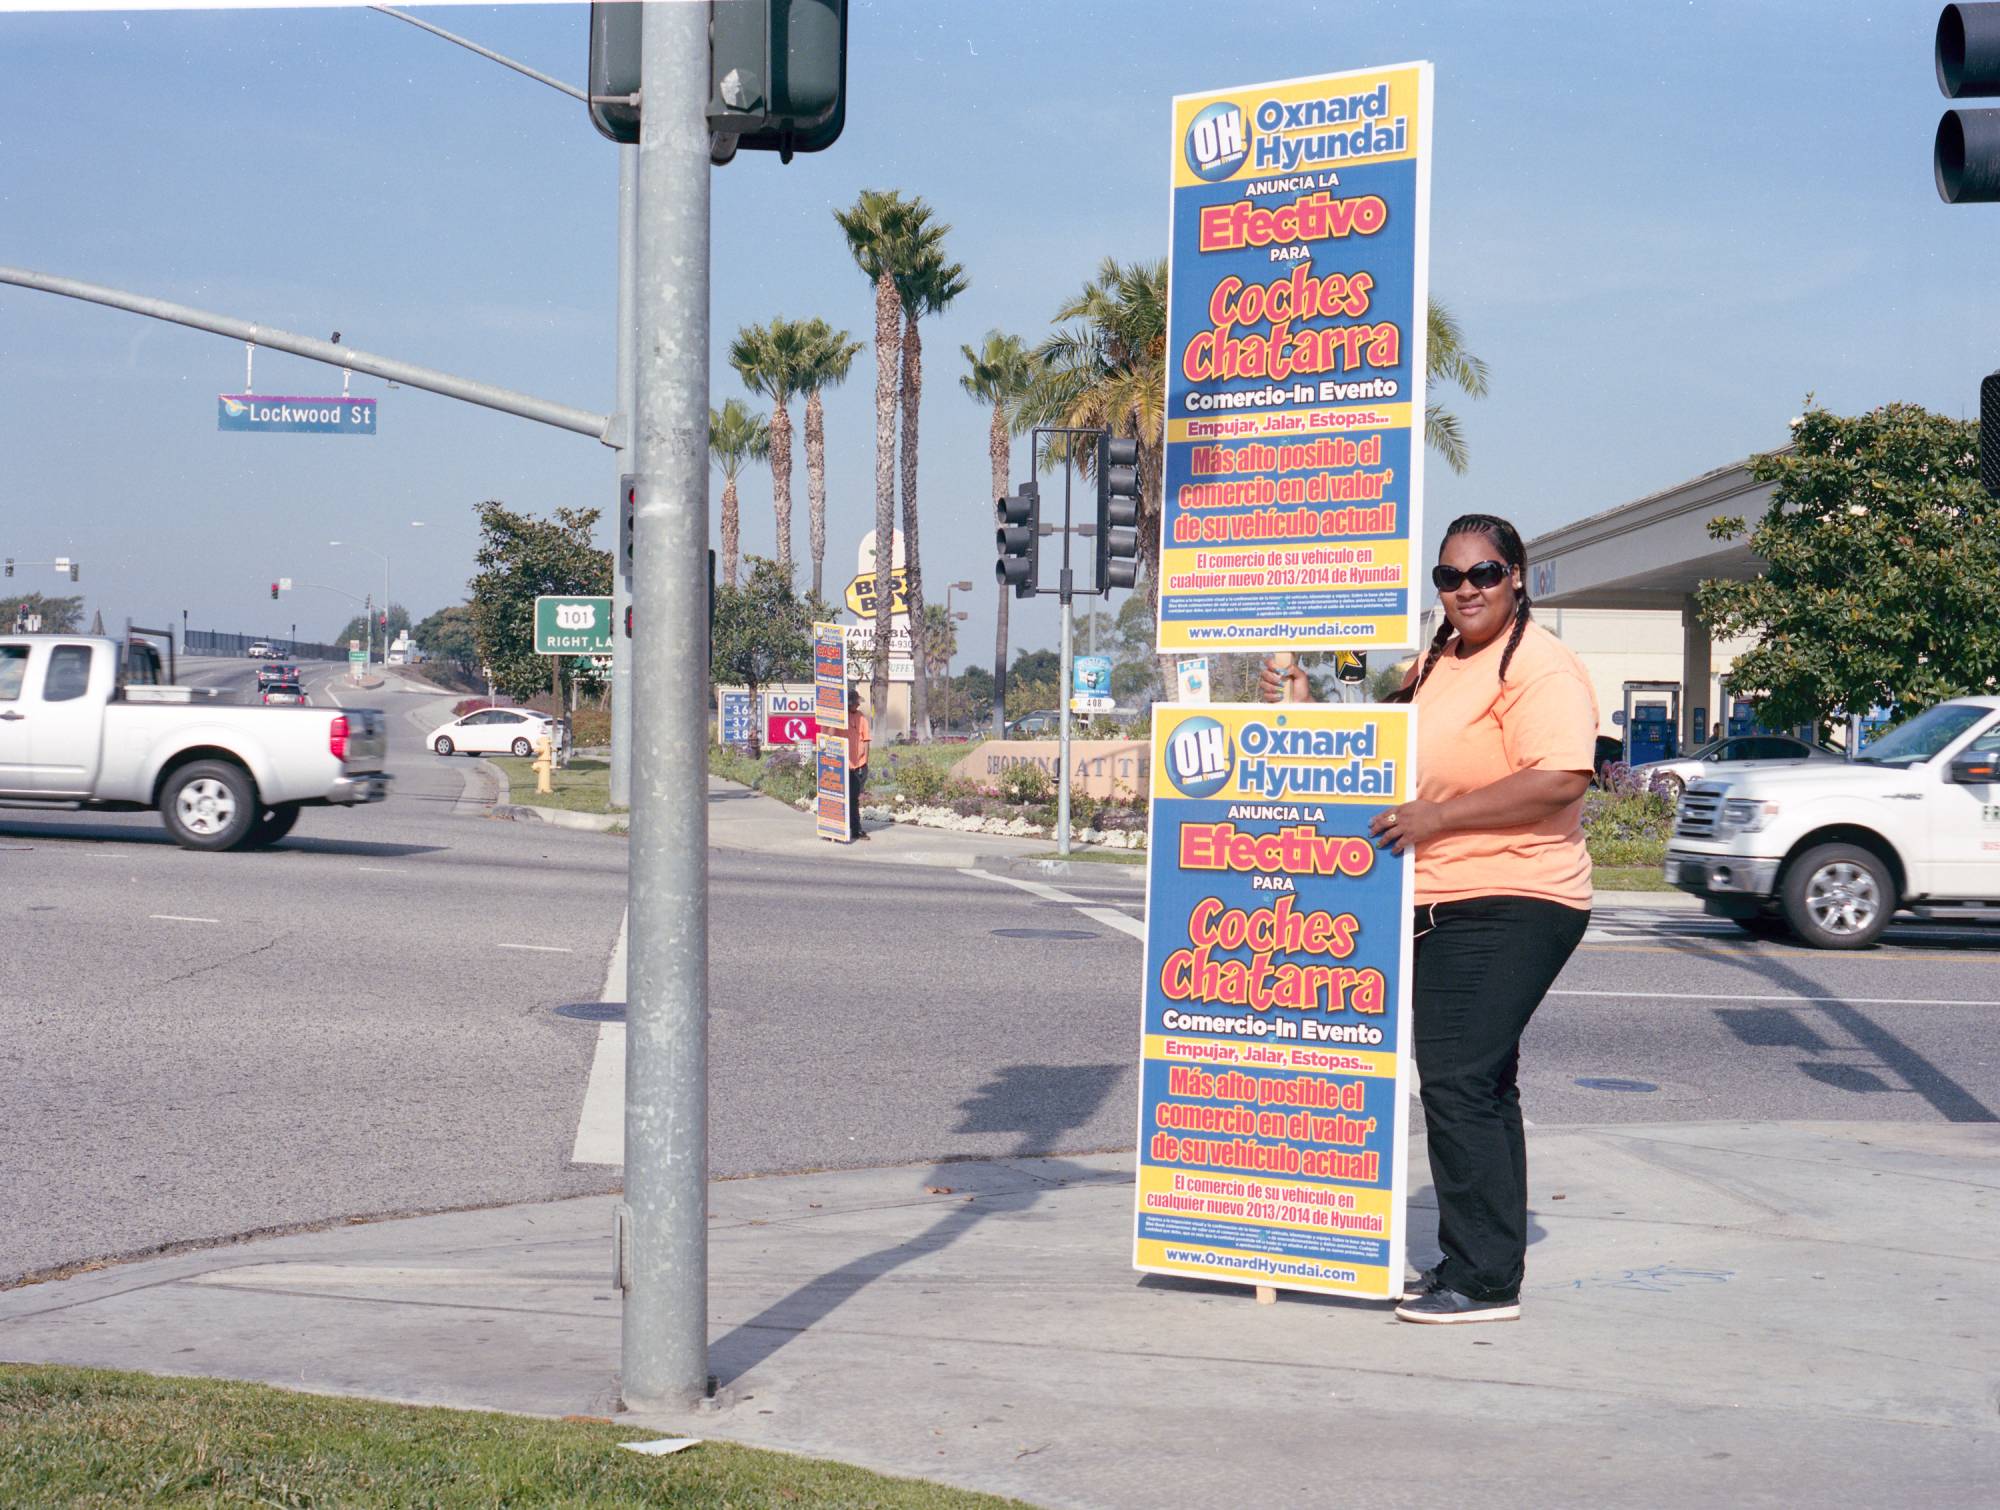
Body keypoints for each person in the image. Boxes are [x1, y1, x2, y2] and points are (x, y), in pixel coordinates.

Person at [1261, 513, 1597, 1324]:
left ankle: (1482, 1281)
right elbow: (1372, 754)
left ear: (1517, 574)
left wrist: (1438, 821)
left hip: (1516, 897)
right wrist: (1304, 702)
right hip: (1437, 897)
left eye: (1483, 574)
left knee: (1454, 1077)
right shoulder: (1437, 662)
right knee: (1480, 1081)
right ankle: (1485, 1258)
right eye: (1449, 578)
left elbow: (1561, 778)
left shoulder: (1541, 668)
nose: (1465, 591)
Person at [846, 685, 872, 841]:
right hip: (843, 764)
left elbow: (867, 740)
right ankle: (840, 827)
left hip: (858, 765)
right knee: (843, 798)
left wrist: (865, 762)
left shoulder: (861, 717)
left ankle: (855, 829)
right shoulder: (840, 717)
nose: (858, 705)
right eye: (855, 703)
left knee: (854, 798)